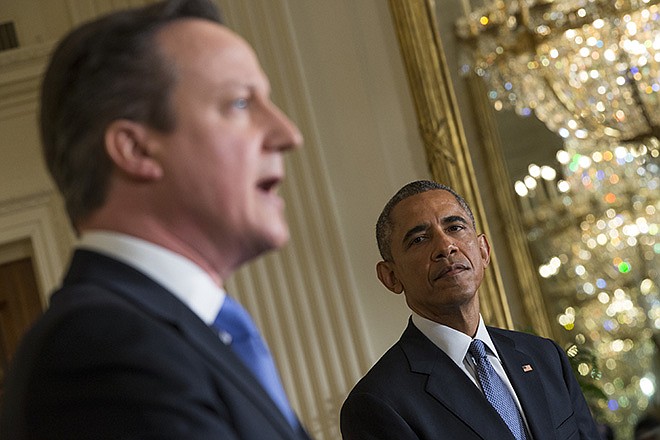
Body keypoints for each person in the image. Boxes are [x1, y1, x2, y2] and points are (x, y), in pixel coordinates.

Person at [0, 1, 310, 439]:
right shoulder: (100, 350)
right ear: (136, 150)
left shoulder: (184, 330)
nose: (288, 134)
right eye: (240, 103)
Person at [340, 180, 601, 439]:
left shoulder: (545, 357)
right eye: (419, 239)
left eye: (454, 227)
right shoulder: (378, 403)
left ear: (484, 251)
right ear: (391, 277)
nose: (445, 247)